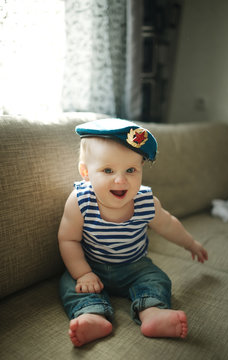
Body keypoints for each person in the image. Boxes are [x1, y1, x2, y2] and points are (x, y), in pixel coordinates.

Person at [58, 118, 208, 347]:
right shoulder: (80, 201)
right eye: (107, 170)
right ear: (86, 172)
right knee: (70, 284)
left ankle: (152, 312)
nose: (121, 180)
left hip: (135, 266)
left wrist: (191, 244)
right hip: (92, 265)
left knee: (157, 279)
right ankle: (92, 315)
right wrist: (83, 273)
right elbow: (68, 239)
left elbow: (168, 224)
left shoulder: (145, 201)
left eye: (131, 170)